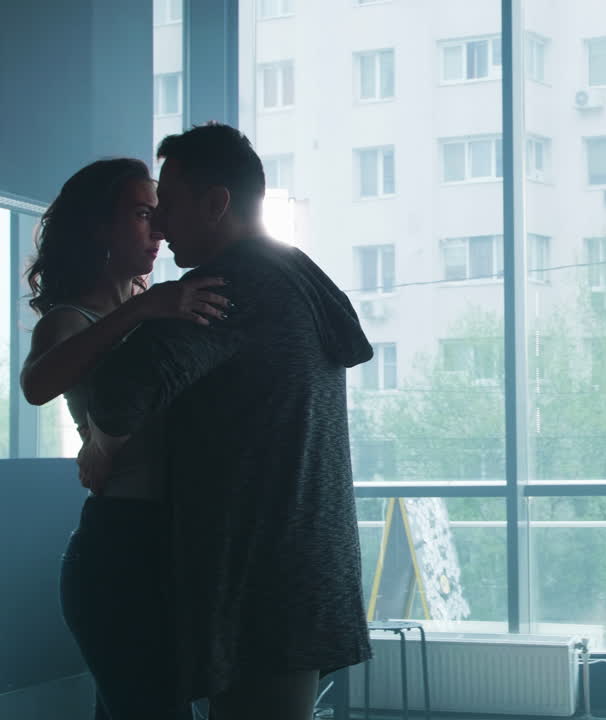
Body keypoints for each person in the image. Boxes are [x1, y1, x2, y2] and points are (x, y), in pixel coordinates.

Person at [78, 124, 373, 720]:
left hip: (253, 579)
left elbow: (113, 399)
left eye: (168, 203)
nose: (158, 224)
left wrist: (142, 311)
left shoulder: (223, 287)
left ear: (216, 204)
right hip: (307, 563)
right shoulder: (296, 273)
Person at [22, 157, 230, 719]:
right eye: (142, 214)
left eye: (158, 213)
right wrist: (144, 306)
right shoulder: (70, 319)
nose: (159, 229)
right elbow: (35, 386)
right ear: (98, 226)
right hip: (117, 547)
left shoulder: (160, 307)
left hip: (168, 542)